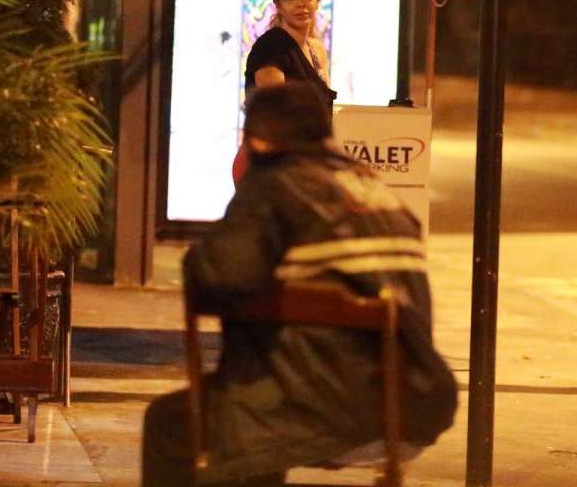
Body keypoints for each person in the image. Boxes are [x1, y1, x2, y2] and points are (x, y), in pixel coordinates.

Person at [143, 82, 456, 487]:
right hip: (415, 404)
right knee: (258, 414)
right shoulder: (376, 189)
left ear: (257, 140)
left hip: (325, 406)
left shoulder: (277, 182)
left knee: (175, 423)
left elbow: (216, 273)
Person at [233, 0, 337, 184]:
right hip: (268, 166)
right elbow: (276, 118)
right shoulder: (271, 46)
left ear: (318, 1)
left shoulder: (316, 50)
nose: (301, 3)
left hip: (301, 166)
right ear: (278, 5)